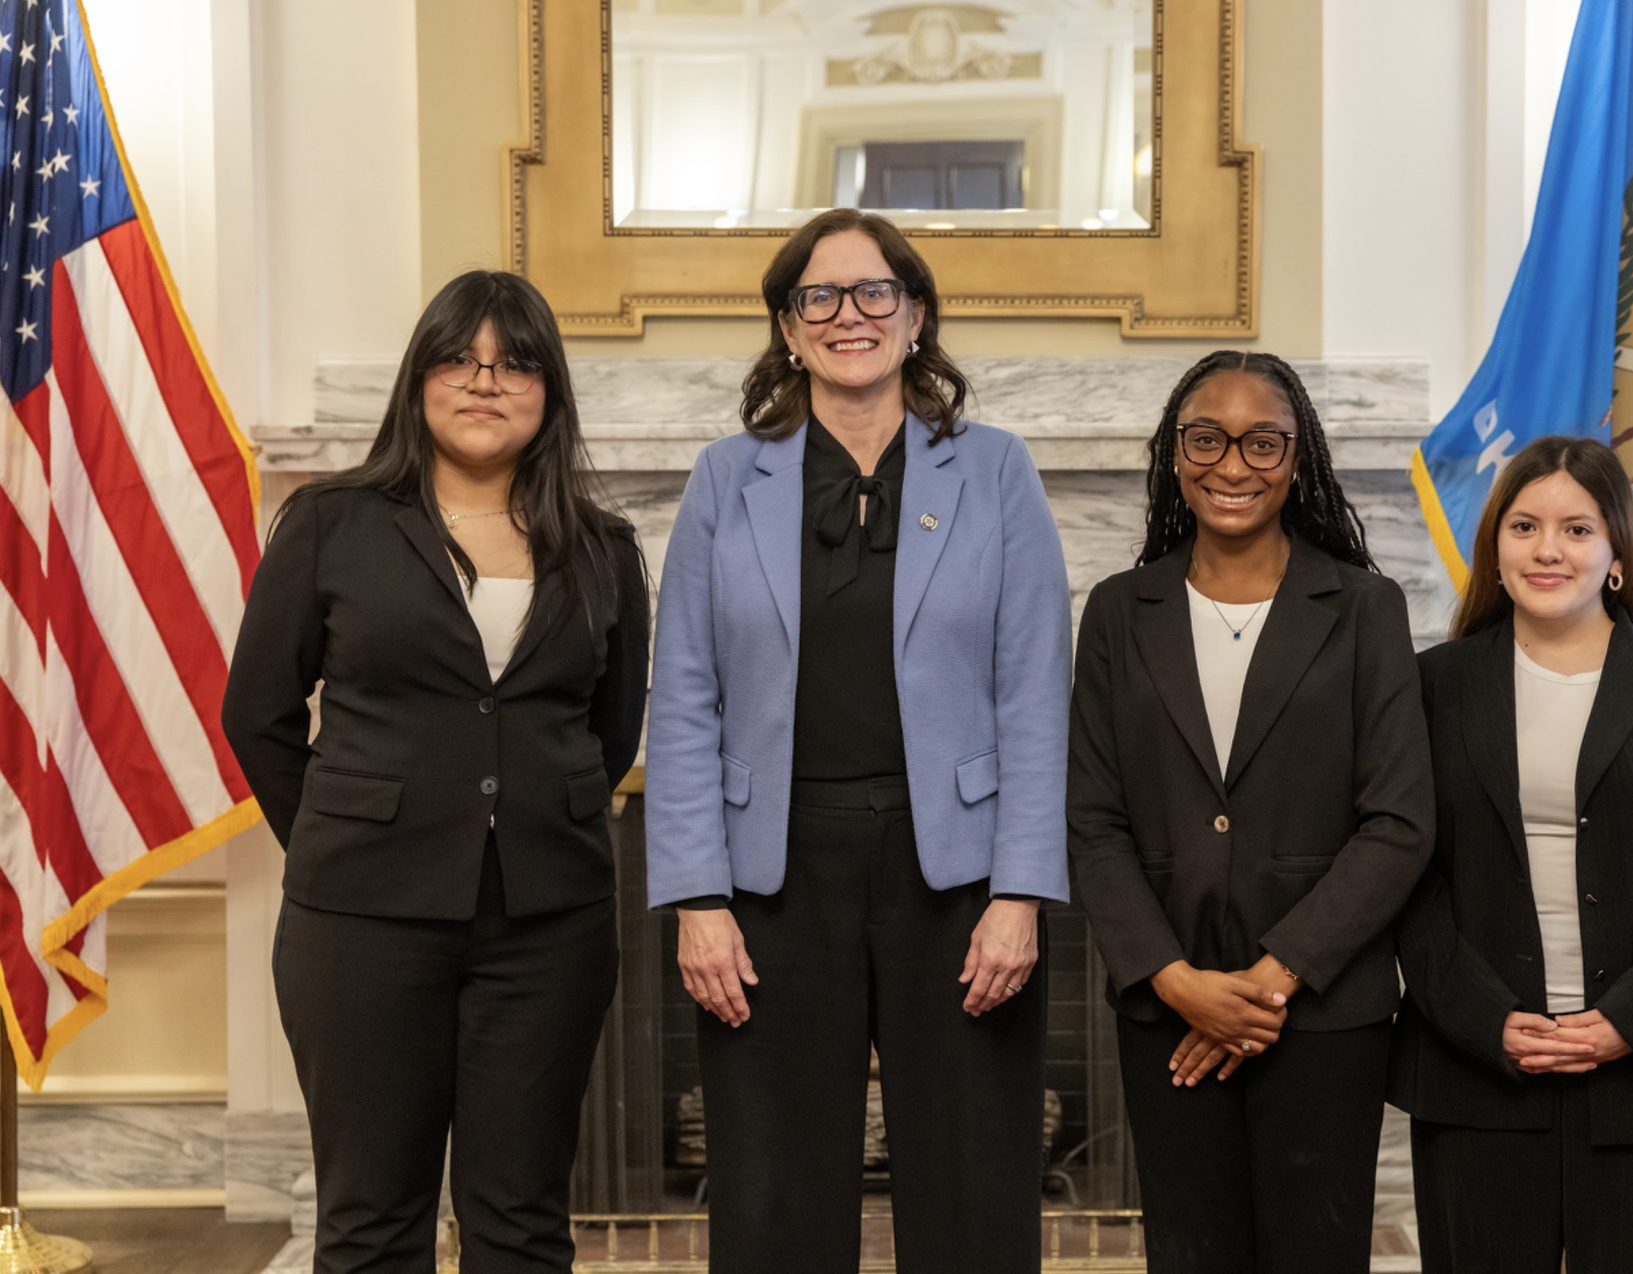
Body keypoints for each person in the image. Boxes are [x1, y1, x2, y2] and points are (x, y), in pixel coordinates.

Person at [644, 208, 1072, 1274]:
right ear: (787, 327)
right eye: (818, 296)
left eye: (874, 291)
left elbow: (1034, 692)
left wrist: (1020, 892)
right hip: (769, 878)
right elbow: (684, 693)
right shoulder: (720, 480)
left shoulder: (997, 470)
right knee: (774, 1190)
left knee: (973, 1186)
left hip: (961, 876)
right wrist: (697, 897)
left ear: (916, 314)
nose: (849, 315)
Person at [222, 270, 649, 1274]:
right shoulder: (332, 523)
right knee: (373, 1220)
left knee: (524, 1221)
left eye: (515, 363)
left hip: (550, 926)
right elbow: (260, 716)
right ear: (420, 380)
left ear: (550, 390)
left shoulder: (605, 550)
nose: (484, 382)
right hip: (359, 925)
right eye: (460, 358)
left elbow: (610, 730)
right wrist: (348, 830)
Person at [1067, 350, 1435, 1272]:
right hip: (1170, 1012)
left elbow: (1398, 821)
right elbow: (1092, 819)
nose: (1233, 464)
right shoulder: (1119, 612)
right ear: (1174, 454)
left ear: (1298, 457)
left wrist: (1270, 980)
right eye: (1207, 438)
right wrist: (1174, 979)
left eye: (1262, 441)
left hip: (1322, 1013)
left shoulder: (1363, 608)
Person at [1390, 435, 1633, 1273]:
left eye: (1577, 530)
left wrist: (1631, 1020)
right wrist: (1486, 1021)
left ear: (1617, 553)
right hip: (1478, 1070)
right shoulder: (1430, 686)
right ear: (1495, 546)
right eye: (1524, 527)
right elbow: (1408, 871)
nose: (1548, 550)